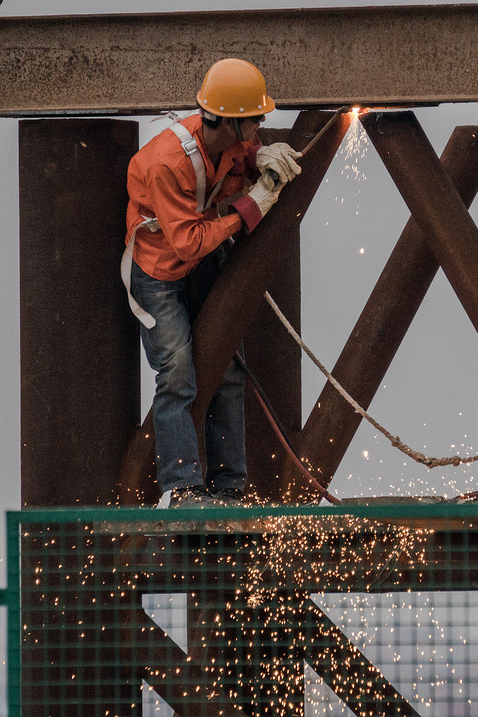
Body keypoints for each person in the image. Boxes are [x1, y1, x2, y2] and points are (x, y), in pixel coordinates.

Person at [121, 58, 302, 507]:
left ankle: (229, 488)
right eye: (255, 120)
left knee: (227, 365)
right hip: (160, 275)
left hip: (199, 265)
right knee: (178, 372)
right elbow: (187, 242)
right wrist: (252, 206)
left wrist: (262, 157)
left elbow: (243, 159)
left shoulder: (234, 140)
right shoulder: (166, 163)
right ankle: (182, 489)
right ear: (229, 121)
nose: (261, 123)